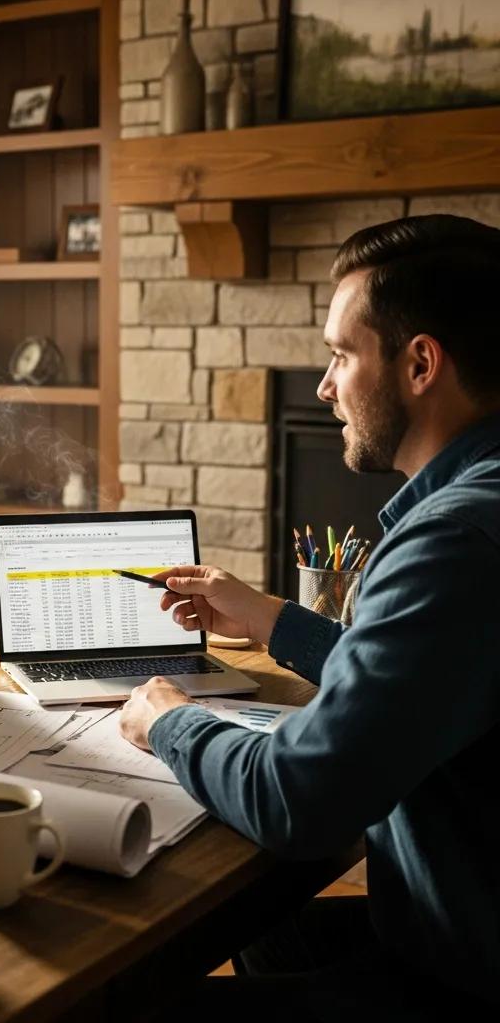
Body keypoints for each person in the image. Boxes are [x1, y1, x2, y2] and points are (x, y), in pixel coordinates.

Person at [119, 215, 500, 1018]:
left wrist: (167, 721)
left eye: (339, 355)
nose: (325, 386)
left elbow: (295, 800)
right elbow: (426, 678)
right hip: (463, 923)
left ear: (421, 363)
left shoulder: (454, 540)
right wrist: (273, 621)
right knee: (265, 925)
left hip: (461, 973)